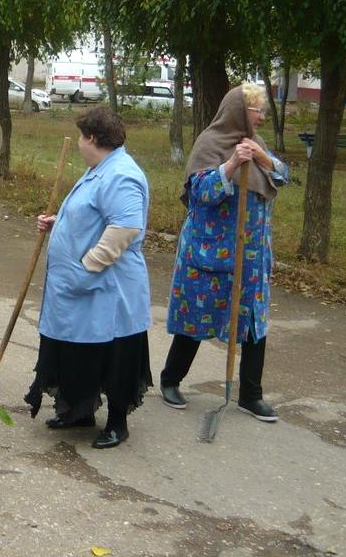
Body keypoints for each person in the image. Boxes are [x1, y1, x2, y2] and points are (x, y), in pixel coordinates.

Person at [24, 107, 152, 449]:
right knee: (79, 353)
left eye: (82, 136)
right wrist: (59, 223)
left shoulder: (121, 175)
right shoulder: (101, 169)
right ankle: (79, 410)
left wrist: (89, 265)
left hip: (109, 290)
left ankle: (117, 424)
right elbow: (93, 215)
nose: (80, 143)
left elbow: (124, 228)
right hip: (84, 289)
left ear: (92, 138)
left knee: (113, 355)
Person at [160, 83, 288, 422]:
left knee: (252, 323)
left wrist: (262, 158)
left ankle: (250, 395)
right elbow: (200, 193)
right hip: (210, 253)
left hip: (252, 256)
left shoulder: (256, 144)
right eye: (256, 111)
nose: (261, 116)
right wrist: (230, 165)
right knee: (197, 317)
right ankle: (170, 380)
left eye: (262, 111)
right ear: (237, 112)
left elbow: (282, 175)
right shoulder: (211, 143)